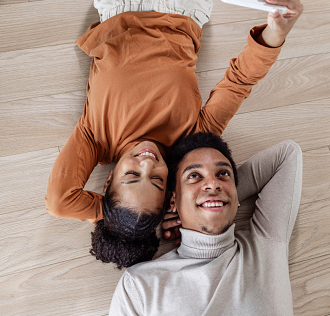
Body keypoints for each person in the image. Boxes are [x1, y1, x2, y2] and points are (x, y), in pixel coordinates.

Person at [45, 0, 303, 269]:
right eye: (156, 179)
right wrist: (276, 33)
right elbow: (238, 83)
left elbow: (59, 201)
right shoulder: (191, 142)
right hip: (186, 1)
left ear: (109, 179)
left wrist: (112, 214)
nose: (146, 162)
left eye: (131, 175)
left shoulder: (95, 138)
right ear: (168, 186)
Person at [109, 132, 303, 315]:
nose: (213, 183)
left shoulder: (266, 242)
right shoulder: (138, 285)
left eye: (223, 174)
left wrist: (221, 199)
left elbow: (287, 154)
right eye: (194, 176)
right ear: (173, 200)